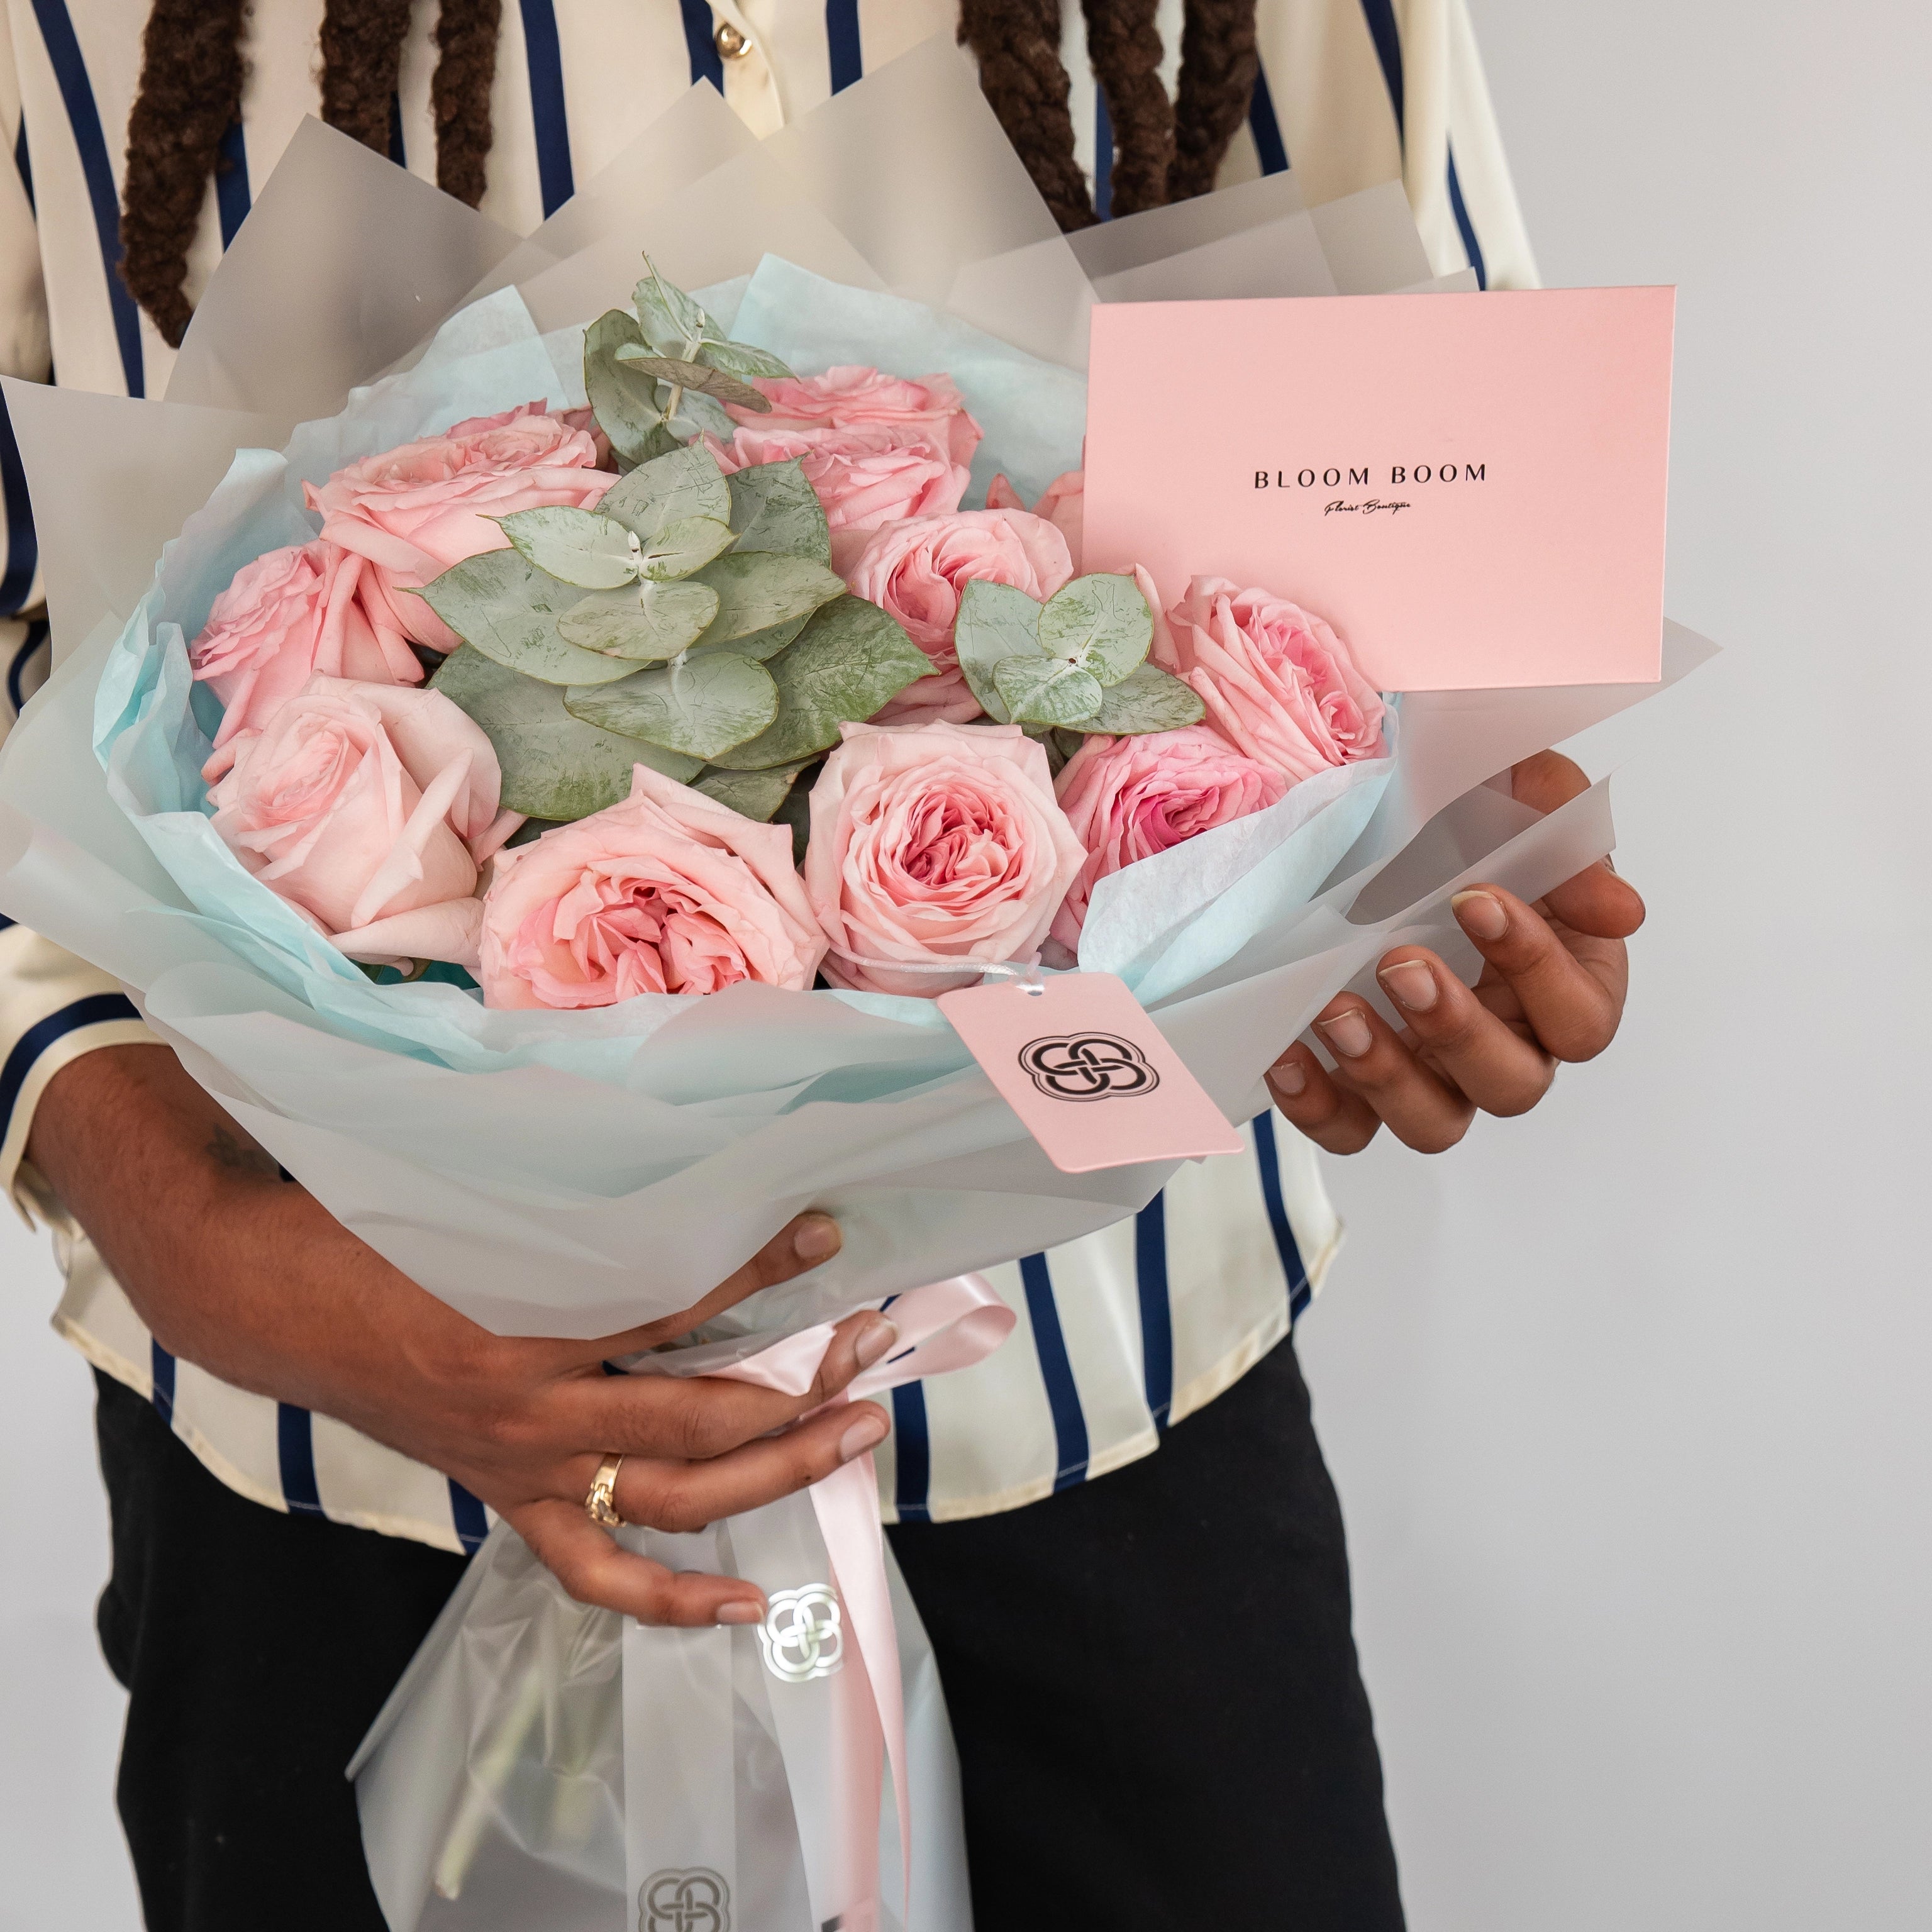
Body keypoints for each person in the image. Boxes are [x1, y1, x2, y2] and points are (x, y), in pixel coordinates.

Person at [0, 4, 1638, 1928]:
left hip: (1109, 1403)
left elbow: (1431, 507)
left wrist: (1439, 903)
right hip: (336, 1437)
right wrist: (163, 1196)